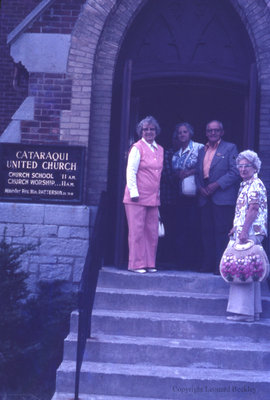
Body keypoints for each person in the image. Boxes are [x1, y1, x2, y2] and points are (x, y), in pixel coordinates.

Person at [226, 150, 268, 322]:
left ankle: (243, 312)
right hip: (247, 230)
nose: (242, 169)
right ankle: (253, 311)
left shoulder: (255, 184)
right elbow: (244, 210)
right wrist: (235, 228)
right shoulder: (247, 184)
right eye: (240, 166)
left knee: (241, 268)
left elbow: (253, 209)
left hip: (249, 233)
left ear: (254, 167)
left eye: (246, 166)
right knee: (252, 268)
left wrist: (243, 231)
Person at [196, 120, 240, 274]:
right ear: (206, 133)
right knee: (206, 231)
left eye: (216, 130)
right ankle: (208, 264)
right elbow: (198, 172)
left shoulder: (230, 148)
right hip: (205, 197)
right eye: (209, 131)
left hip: (222, 196)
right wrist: (200, 187)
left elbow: (235, 172)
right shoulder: (202, 149)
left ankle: (219, 266)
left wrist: (215, 185)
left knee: (221, 232)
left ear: (222, 132)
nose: (212, 133)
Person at [123, 116, 164, 273]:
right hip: (137, 197)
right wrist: (134, 192)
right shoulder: (137, 148)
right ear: (141, 131)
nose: (148, 132)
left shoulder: (159, 149)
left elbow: (158, 174)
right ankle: (136, 264)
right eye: (145, 129)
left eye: (151, 129)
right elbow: (131, 171)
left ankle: (149, 263)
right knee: (137, 232)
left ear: (156, 131)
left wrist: (157, 194)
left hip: (153, 197)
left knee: (151, 232)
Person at [171, 122, 204, 269]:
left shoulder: (199, 148)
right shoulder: (175, 154)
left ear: (190, 133)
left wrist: (190, 172)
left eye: (185, 132)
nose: (182, 135)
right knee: (181, 228)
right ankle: (182, 262)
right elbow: (173, 173)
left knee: (194, 227)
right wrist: (178, 174)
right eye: (179, 133)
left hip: (196, 195)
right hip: (181, 196)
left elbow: (205, 166)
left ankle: (195, 262)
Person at [159, 129, 181, 266]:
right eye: (177, 136)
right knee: (166, 231)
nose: (180, 139)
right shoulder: (167, 154)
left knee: (180, 231)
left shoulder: (192, 153)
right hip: (168, 199)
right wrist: (181, 176)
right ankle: (165, 259)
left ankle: (179, 260)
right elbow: (167, 175)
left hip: (185, 201)